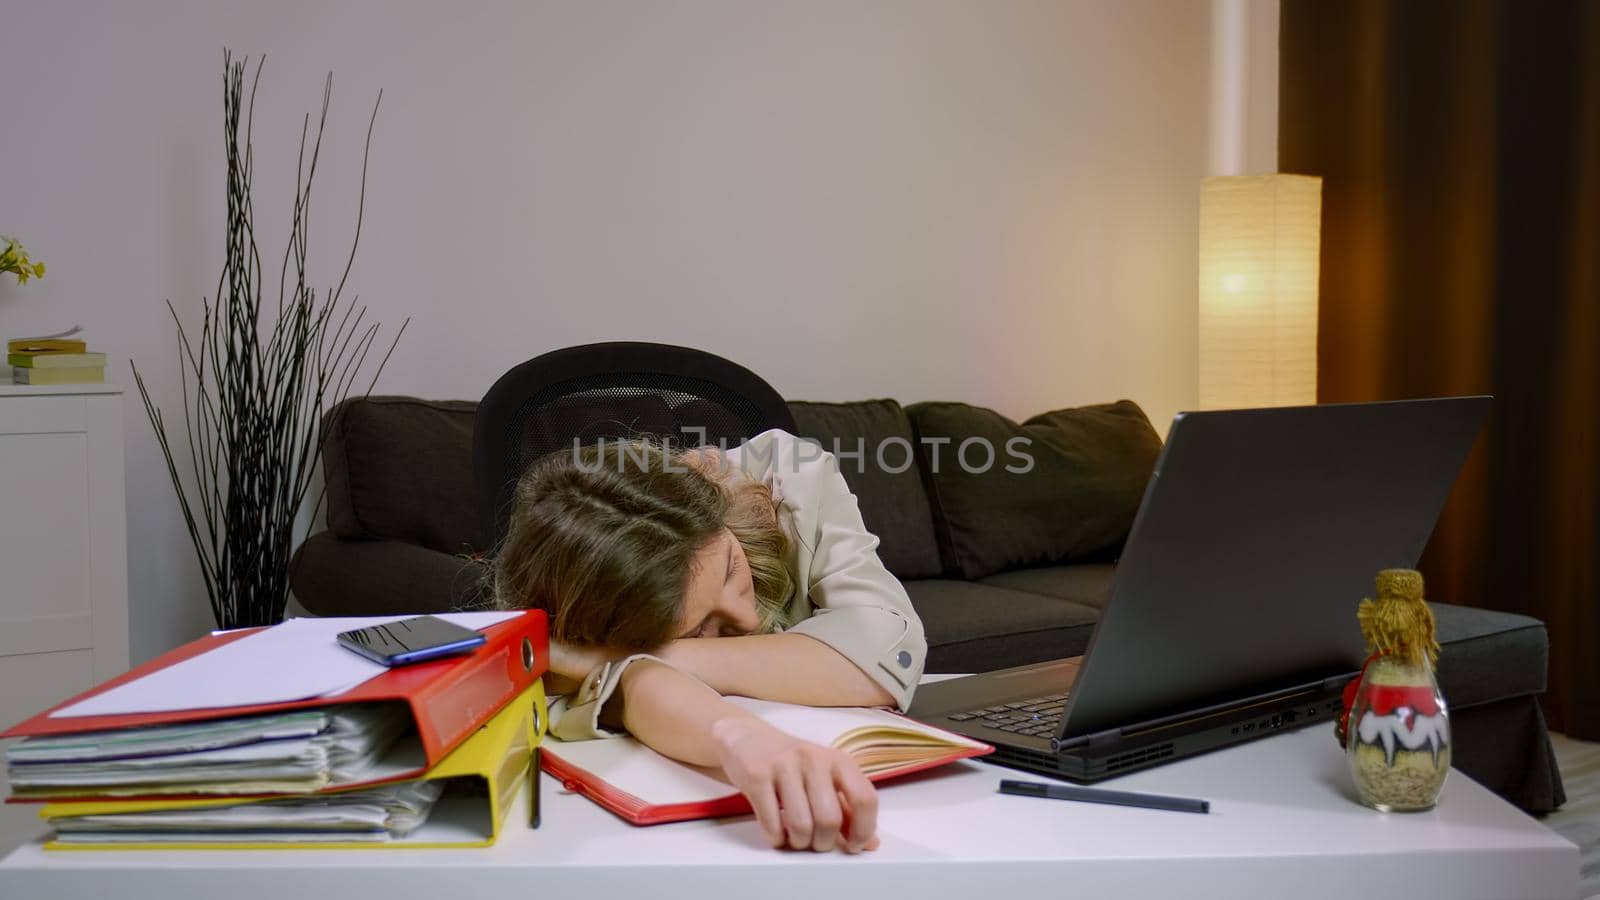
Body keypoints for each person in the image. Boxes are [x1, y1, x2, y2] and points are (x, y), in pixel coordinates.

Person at [493, 428, 926, 854]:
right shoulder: (583, 622)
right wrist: (741, 738)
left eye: (731, 571)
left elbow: (886, 654)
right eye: (699, 627)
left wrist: (626, 656)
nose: (748, 617)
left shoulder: (787, 475)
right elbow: (639, 685)